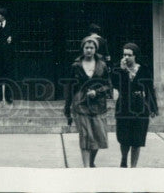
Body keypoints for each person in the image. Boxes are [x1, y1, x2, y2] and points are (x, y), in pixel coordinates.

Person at [63, 35, 112, 168]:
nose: (89, 50)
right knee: (85, 136)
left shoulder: (102, 65)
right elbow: (70, 87)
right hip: (81, 103)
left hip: (98, 105)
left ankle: (91, 161)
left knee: (98, 137)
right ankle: (86, 168)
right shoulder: (76, 66)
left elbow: (108, 85)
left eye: (91, 47)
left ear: (95, 49)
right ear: (83, 49)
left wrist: (97, 92)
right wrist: (67, 107)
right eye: (86, 47)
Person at [110, 42, 158, 168]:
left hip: (139, 106)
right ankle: (124, 159)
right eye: (124, 54)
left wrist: (153, 107)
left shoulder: (144, 69)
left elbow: (149, 89)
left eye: (129, 55)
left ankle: (134, 167)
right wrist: (122, 71)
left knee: (137, 139)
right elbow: (116, 85)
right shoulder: (117, 68)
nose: (126, 57)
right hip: (124, 105)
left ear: (135, 56)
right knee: (124, 137)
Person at [0, 6, 15, 104]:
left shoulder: (11, 25)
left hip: (8, 56)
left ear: (3, 16)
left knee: (8, 76)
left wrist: (11, 38)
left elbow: (16, 35)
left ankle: (9, 97)